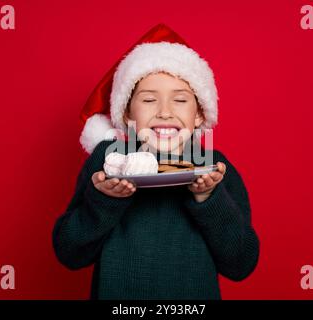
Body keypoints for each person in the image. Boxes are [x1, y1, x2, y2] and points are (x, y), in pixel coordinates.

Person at [52, 23, 260, 299]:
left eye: (180, 100)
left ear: (199, 114)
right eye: (149, 100)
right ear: (127, 113)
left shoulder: (214, 167)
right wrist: (105, 201)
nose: (164, 112)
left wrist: (209, 198)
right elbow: (69, 253)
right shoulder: (107, 161)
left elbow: (241, 264)